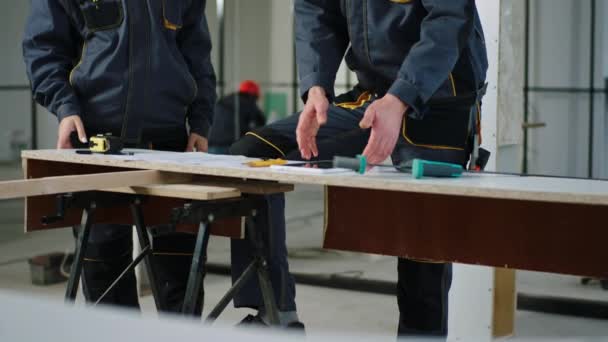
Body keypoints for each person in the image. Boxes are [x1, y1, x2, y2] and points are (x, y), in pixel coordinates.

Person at [230, 0, 488, 338]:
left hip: (442, 101)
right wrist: (316, 87)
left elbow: (450, 17)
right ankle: (275, 312)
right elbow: (315, 11)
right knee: (251, 155)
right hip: (373, 96)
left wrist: (401, 97)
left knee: (422, 259)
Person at [23, 0, 216, 314]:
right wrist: (65, 108)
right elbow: (43, 49)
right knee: (104, 273)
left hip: (171, 145)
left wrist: (201, 120)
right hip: (97, 143)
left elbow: (198, 56)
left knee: (181, 272)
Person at [208, 80, 266, 154]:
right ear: (254, 95)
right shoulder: (249, 103)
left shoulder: (225, 100)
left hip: (210, 145)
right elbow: (261, 124)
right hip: (228, 146)